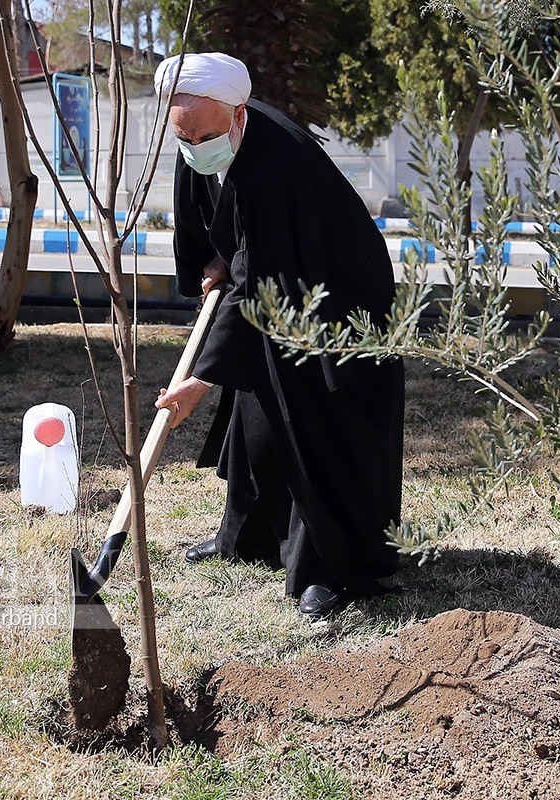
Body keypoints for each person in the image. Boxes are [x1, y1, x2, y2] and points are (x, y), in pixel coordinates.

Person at [152, 52, 404, 619]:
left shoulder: (276, 163)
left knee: (313, 421)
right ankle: (249, 537)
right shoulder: (200, 135)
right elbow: (219, 221)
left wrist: (199, 379)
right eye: (184, 137)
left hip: (337, 301)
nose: (194, 149)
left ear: (239, 115)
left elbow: (259, 283)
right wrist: (218, 255)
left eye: (205, 137)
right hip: (277, 280)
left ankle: (326, 568)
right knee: (258, 409)